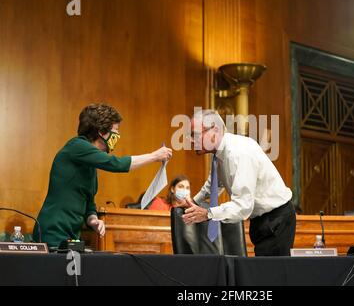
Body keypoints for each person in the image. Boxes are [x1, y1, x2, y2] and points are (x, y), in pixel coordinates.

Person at [33, 103, 172, 248]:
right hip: (53, 233)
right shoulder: (77, 146)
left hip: (71, 236)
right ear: (101, 131)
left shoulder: (90, 163)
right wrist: (154, 156)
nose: (118, 135)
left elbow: (89, 202)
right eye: (115, 130)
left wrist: (93, 220)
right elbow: (115, 164)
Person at [182, 109, 296, 256]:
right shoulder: (219, 153)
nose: (191, 140)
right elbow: (214, 184)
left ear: (215, 130)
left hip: (276, 219)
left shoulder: (239, 153)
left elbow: (243, 206)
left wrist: (208, 214)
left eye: (195, 134)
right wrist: (194, 202)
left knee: (271, 276)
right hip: (261, 220)